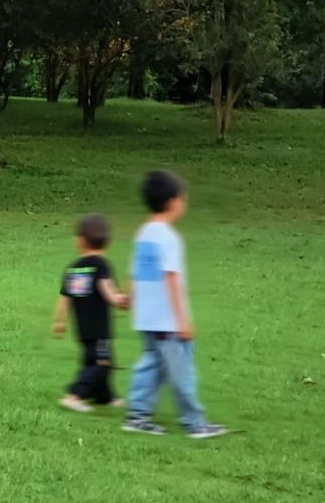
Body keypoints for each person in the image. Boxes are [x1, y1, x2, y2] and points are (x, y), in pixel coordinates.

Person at [124, 168, 227, 439]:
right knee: (181, 372)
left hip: (146, 317)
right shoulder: (169, 238)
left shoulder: (144, 233)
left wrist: (130, 298)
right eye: (183, 198)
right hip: (166, 320)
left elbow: (135, 272)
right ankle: (195, 423)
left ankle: (137, 415)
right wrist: (181, 320)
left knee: (151, 365)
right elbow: (171, 279)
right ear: (173, 201)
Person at [51, 213, 128, 413]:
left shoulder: (75, 269)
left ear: (80, 241)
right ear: (107, 243)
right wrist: (118, 299)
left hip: (83, 328)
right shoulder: (101, 265)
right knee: (102, 363)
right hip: (99, 328)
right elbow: (106, 288)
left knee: (93, 361)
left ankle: (104, 397)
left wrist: (59, 322)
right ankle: (74, 395)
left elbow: (65, 297)